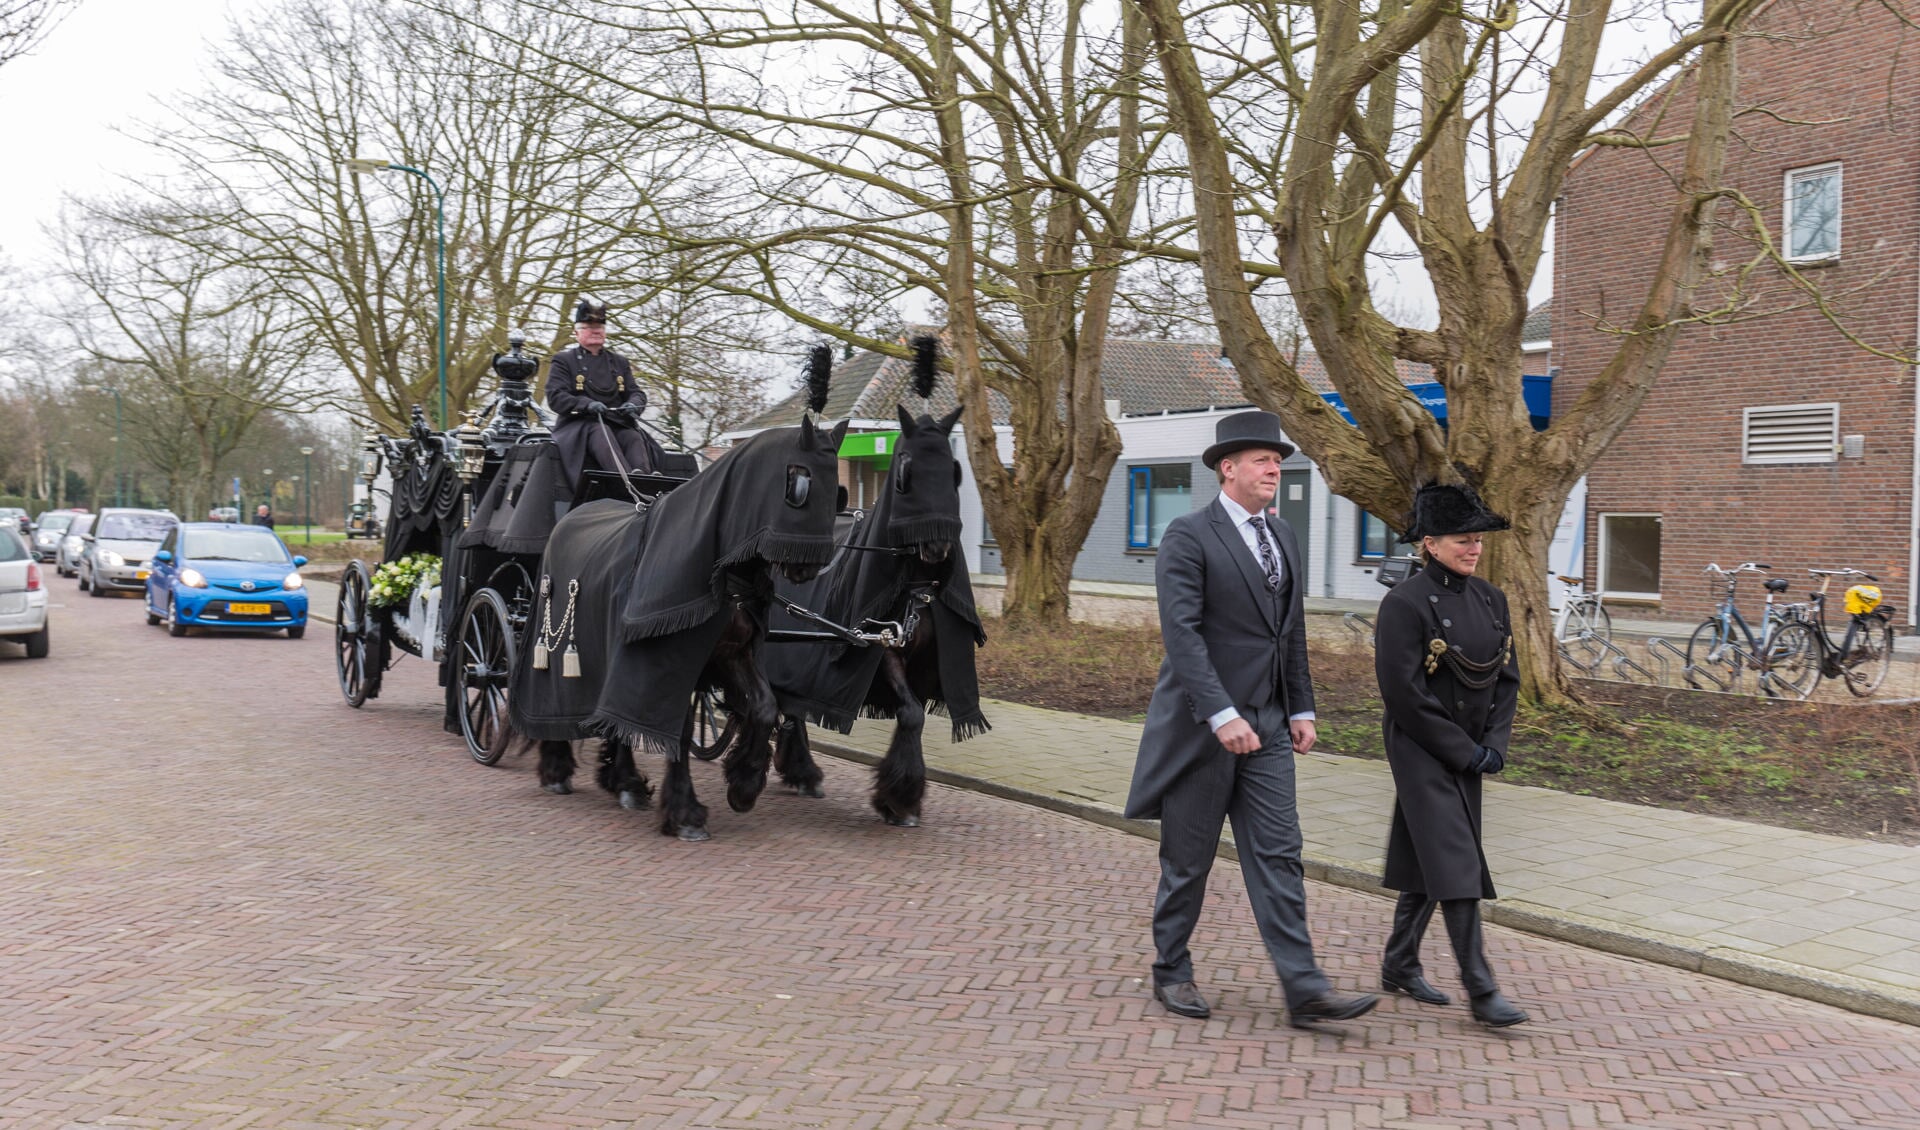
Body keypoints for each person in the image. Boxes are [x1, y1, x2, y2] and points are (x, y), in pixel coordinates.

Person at [1125, 410, 1378, 1029]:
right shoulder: (1188, 535)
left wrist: (1301, 706)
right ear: (1227, 468)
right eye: (1263, 459)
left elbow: (1288, 631)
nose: (1275, 468)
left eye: (1278, 459)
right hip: (1202, 730)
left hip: (1267, 726)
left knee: (1280, 854)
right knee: (1189, 859)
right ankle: (1172, 971)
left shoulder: (1284, 536)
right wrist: (1219, 713)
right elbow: (1182, 637)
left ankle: (1305, 988)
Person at [1373, 481, 1529, 1028]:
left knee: (1431, 857)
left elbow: (1507, 680)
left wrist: (1495, 746)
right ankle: (1481, 990)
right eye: (1463, 539)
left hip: (1473, 749)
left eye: (1478, 539)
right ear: (1430, 544)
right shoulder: (1403, 604)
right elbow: (1404, 696)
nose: (1474, 548)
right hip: (1421, 748)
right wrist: (1463, 751)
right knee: (1458, 860)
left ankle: (1399, 962)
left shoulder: (1492, 599)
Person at [545, 299, 668, 490]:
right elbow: (556, 396)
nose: (596, 331)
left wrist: (634, 404)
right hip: (578, 426)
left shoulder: (619, 362)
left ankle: (644, 482)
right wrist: (586, 404)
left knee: (632, 435)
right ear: (576, 332)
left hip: (617, 422)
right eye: (589, 327)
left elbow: (636, 392)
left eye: (600, 327)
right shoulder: (563, 360)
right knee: (601, 431)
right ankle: (625, 484)